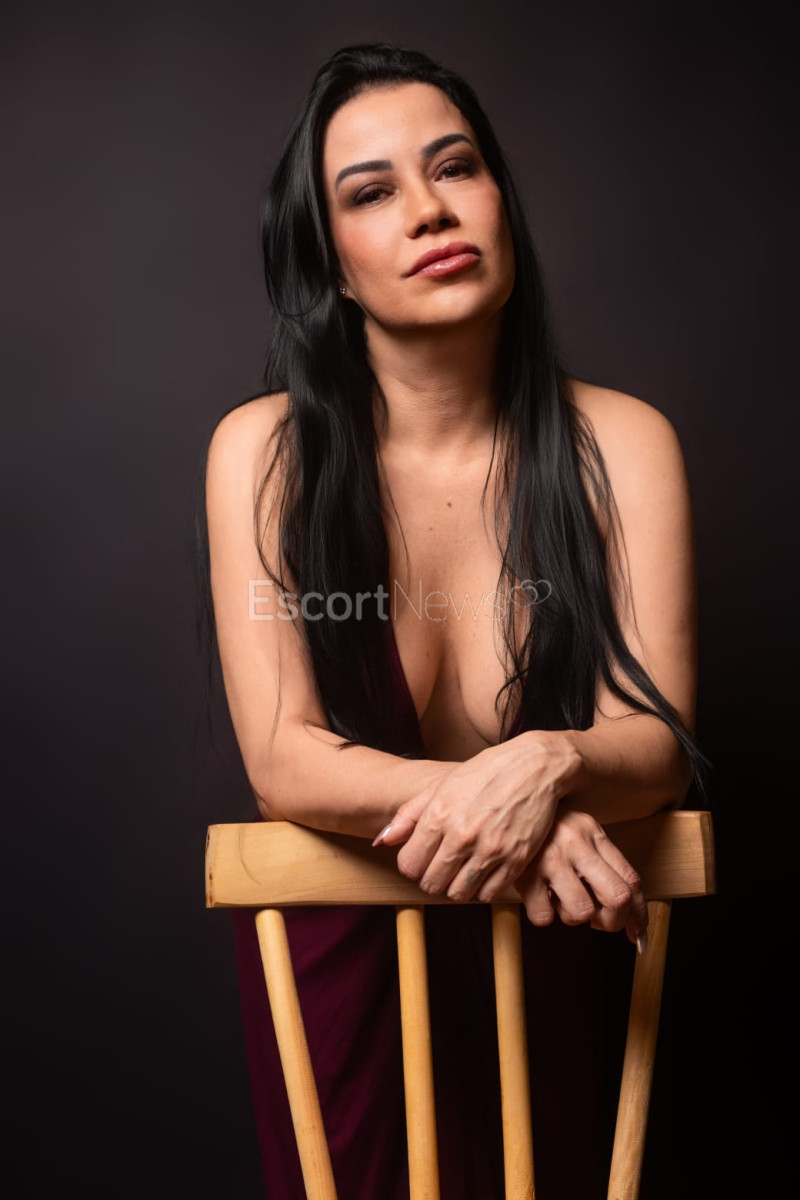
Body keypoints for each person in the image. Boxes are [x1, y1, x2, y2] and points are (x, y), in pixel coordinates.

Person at [195, 42, 709, 1200]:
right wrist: (517, 814)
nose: (428, 209)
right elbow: (285, 760)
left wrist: (549, 763)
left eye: (455, 167)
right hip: (346, 972)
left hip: (556, 954)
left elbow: (655, 746)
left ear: (499, 200)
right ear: (329, 264)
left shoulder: (622, 445)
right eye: (370, 193)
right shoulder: (265, 454)